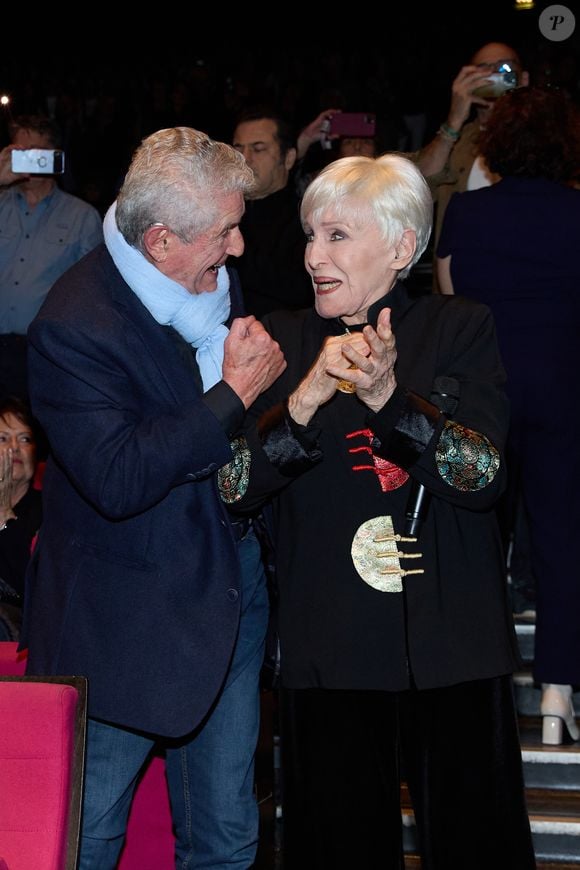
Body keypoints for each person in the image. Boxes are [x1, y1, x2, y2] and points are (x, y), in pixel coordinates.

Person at [233, 154, 535, 869]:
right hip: (328, 653)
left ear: (402, 247)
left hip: (452, 649)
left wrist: (390, 402)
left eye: (337, 235)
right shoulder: (282, 340)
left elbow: (482, 476)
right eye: (310, 236)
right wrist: (302, 404)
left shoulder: (460, 327)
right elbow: (232, 487)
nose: (313, 256)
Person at [22, 126, 286, 868]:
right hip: (125, 623)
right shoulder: (72, 325)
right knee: (88, 837)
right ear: (161, 240)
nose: (238, 248)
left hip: (229, 590)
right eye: (225, 232)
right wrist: (233, 395)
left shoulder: (205, 282)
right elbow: (118, 477)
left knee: (226, 838)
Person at [436, 86, 580, 746]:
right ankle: (556, 694)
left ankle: (476, 691)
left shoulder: (467, 211)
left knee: (476, 543)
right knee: (562, 543)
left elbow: (451, 305)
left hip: (486, 394)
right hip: (563, 393)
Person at [0, 115, 103, 401]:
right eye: (19, 153)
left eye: (36, 153)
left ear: (54, 157)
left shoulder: (82, 217)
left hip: (43, 351)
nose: (27, 161)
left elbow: (93, 291)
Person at [417, 41, 529, 255]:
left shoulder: (547, 142)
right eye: (483, 70)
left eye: (504, 68)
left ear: (523, 79)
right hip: (459, 269)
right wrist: (454, 121)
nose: (494, 75)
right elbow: (418, 192)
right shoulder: (456, 142)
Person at [232, 109, 314, 316]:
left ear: (288, 158)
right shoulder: (219, 213)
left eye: (258, 149)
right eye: (238, 149)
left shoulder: (306, 220)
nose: (245, 158)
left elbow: (300, 289)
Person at [0, 396, 42, 642]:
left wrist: (4, 513)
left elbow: (29, 587)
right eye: (3, 439)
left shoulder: (49, 510)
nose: (14, 447)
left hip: (17, 627)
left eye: (24, 439)